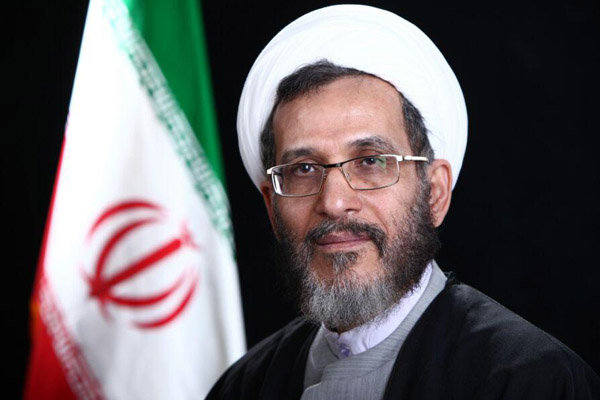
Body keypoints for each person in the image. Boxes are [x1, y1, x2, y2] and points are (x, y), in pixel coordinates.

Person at [207, 5, 599, 399]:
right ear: (271, 207)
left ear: (434, 193)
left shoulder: (530, 381)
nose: (335, 201)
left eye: (370, 162)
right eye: (304, 169)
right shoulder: (243, 388)